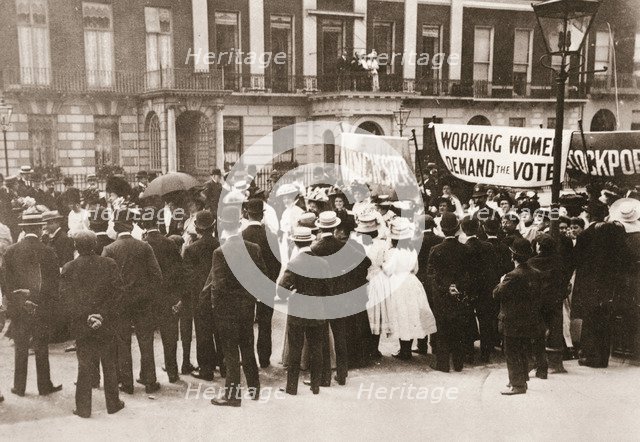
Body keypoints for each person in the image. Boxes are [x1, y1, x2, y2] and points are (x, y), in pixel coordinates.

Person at [61, 231, 125, 418]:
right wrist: (101, 315)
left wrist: (87, 317)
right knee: (109, 363)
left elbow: (66, 299)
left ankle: (83, 408)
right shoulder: (109, 264)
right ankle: (113, 404)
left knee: (84, 365)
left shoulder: (69, 267)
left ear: (75, 246)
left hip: (83, 325)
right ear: (95, 244)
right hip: (106, 323)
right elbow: (118, 293)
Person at [102, 209, 163, 394]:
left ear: (115, 226)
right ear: (132, 225)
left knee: (123, 342)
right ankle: (150, 381)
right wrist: (148, 295)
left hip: (120, 303)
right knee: (146, 341)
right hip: (143, 302)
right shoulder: (144, 247)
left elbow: (105, 280)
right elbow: (157, 276)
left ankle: (127, 383)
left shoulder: (110, 249)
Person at [2, 212, 62, 397]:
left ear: (23, 229)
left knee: (20, 346)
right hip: (41, 306)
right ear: (39, 228)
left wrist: (20, 301)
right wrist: (36, 298)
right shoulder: (48, 251)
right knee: (41, 345)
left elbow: (5, 282)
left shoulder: (11, 251)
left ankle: (19, 387)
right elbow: (54, 283)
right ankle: (44, 386)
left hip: (19, 308)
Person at [210, 206, 264, 407]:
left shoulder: (220, 252)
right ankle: (254, 388)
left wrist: (216, 307)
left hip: (227, 310)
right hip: (247, 307)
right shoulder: (253, 248)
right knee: (248, 347)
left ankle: (232, 395)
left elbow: (218, 285)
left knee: (231, 352)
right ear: (239, 224)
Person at [572, 202, 627, 368]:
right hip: (608, 283)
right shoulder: (613, 231)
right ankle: (603, 358)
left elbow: (576, 260)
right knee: (604, 319)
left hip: (589, 282)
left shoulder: (585, 235)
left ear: (589, 216)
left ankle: (590, 356)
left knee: (590, 319)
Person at [278, 227, 331, 395]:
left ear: (295, 242)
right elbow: (329, 289)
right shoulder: (323, 263)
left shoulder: (294, 264)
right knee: (317, 348)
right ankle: (315, 386)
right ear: (311, 241)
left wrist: (293, 292)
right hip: (317, 309)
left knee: (295, 348)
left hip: (298, 310)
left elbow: (281, 290)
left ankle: (291, 387)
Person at [493, 238, 544, 396]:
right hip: (529, 319)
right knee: (523, 350)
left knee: (512, 352)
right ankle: (521, 380)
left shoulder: (511, 275)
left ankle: (517, 384)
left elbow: (496, 294)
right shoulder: (535, 273)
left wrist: (501, 282)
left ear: (513, 255)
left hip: (512, 319)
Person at [384, 217, 438, 360]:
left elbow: (388, 270)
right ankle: (412, 347)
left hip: (398, 283)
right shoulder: (411, 251)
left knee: (402, 315)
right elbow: (415, 269)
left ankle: (404, 350)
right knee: (412, 313)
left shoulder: (394, 253)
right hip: (411, 281)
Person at [426, 212, 473, 372]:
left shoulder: (436, 249)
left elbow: (431, 273)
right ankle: (458, 363)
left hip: (441, 295)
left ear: (442, 229)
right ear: (458, 228)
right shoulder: (465, 249)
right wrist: (457, 287)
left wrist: (446, 287)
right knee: (459, 327)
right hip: (460, 294)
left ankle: (443, 364)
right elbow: (469, 273)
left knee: (442, 327)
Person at [142, 215, 186, 383]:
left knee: (146, 339)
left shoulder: (143, 245)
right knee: (170, 337)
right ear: (158, 224)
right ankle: (172, 372)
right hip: (168, 297)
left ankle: (147, 375)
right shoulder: (169, 243)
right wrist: (178, 297)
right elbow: (180, 271)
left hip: (148, 299)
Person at [242, 198, 281, 368]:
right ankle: (264, 359)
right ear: (262, 214)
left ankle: (248, 358)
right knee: (265, 324)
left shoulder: (242, 235)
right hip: (267, 286)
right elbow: (278, 262)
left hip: (246, 287)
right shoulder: (270, 235)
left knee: (246, 323)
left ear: (247, 214)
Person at [311, 211, 347, 384]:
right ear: (334, 227)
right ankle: (342, 374)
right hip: (340, 294)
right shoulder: (342, 245)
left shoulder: (316, 248)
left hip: (322, 295)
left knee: (323, 335)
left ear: (320, 226)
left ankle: (324, 377)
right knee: (340, 334)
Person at [528, 234, 570, 376]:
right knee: (554, 331)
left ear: (539, 246)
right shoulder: (560, 261)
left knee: (537, 333)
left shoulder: (532, 262)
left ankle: (538, 365)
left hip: (537, 302)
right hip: (555, 302)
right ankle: (554, 362)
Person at [461, 217, 498, 363]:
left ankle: (469, 353)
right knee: (485, 321)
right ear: (478, 229)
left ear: (463, 230)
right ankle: (485, 354)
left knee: (468, 320)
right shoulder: (488, 246)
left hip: (469, 290)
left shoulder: (463, 248)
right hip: (485, 289)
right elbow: (493, 268)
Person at [413, 214, 442, 354]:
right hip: (436, 279)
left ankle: (422, 344)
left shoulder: (415, 241)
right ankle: (435, 343)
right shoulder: (440, 240)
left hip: (420, 278)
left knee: (422, 311)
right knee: (436, 310)